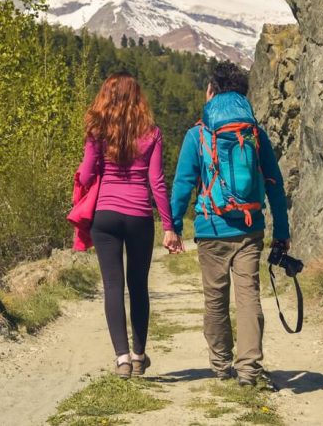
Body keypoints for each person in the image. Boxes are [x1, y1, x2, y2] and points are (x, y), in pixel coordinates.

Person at [169, 61, 290, 389]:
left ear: (211, 91)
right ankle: (249, 370)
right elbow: (274, 184)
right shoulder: (254, 134)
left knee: (215, 298)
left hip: (211, 229)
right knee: (248, 296)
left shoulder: (197, 134)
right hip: (249, 229)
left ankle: (222, 367)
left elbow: (182, 183)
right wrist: (282, 232)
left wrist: (173, 226)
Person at [78, 73, 182, 379]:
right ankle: (139, 356)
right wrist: (169, 226)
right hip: (139, 215)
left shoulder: (97, 131)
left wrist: (91, 173)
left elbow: (85, 176)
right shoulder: (152, 132)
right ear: (138, 98)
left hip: (105, 215)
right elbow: (157, 182)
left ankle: (121, 358)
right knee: (138, 286)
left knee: (112, 286)